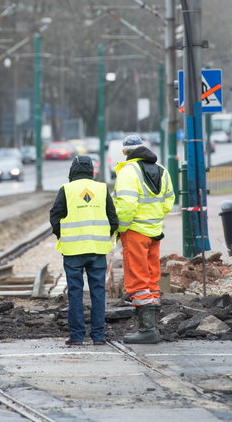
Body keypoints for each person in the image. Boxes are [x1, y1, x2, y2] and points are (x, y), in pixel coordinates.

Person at [50, 155, 118, 346]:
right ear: (91, 170)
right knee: (98, 292)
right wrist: (104, 235)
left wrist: (62, 236)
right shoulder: (101, 188)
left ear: (72, 170)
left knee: (75, 292)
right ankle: (98, 336)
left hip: (72, 251)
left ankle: (77, 336)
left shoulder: (67, 189)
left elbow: (55, 216)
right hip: (97, 250)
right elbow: (113, 219)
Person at [113, 134, 175, 344]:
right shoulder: (163, 170)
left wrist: (121, 227)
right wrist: (154, 218)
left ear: (125, 152)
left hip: (135, 231)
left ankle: (147, 329)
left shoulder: (127, 171)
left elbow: (127, 205)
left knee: (137, 280)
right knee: (151, 278)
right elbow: (169, 201)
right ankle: (153, 327)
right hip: (154, 230)